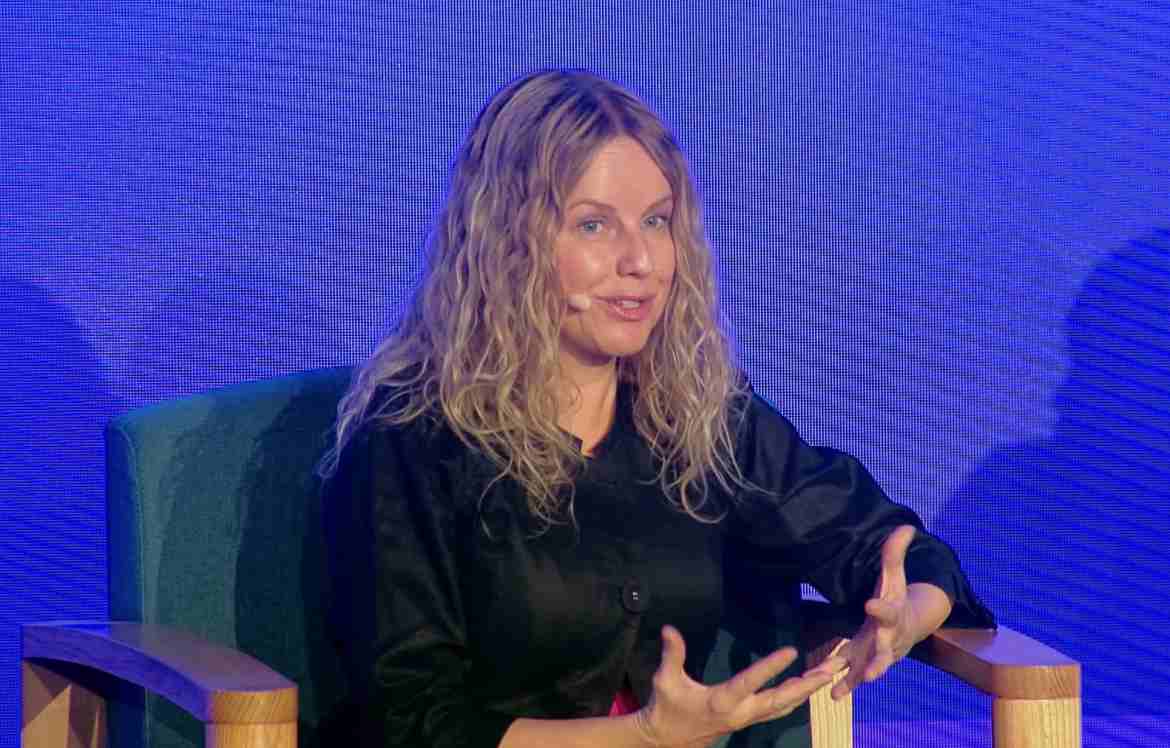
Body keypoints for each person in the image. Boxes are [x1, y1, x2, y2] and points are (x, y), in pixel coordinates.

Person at [320, 68, 993, 748]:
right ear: (507, 245)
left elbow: (894, 551)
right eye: (593, 225)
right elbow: (408, 722)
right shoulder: (411, 439)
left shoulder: (698, 415)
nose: (640, 260)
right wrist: (643, 736)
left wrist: (906, 617)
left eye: (656, 221)